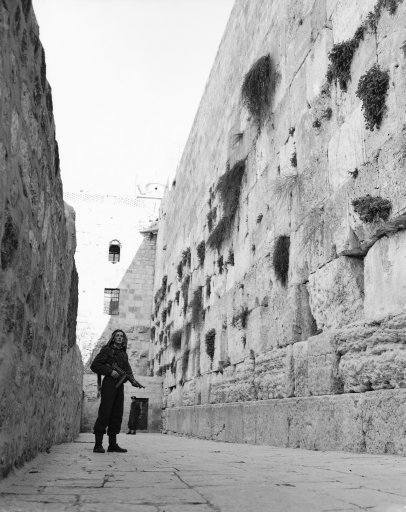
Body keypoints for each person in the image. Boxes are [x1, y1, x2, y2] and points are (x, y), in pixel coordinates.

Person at [90, 329, 143, 453]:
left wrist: (133, 381)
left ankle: (112, 444)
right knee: (105, 412)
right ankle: (98, 445)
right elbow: (94, 365)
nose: (119, 337)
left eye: (121, 336)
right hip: (109, 384)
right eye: (117, 336)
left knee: (117, 414)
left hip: (119, 386)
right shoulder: (107, 350)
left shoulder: (123, 353)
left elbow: (128, 371)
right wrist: (109, 371)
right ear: (113, 338)